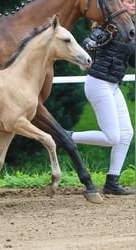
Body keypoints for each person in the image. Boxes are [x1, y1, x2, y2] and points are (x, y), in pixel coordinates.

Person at [70, 0, 135, 195]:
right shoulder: (110, 26)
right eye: (129, 1)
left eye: (135, 1)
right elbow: (87, 44)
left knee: (126, 135)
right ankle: (65, 136)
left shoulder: (130, 29)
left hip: (112, 85)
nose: (133, 4)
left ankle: (112, 182)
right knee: (112, 137)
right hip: (99, 84)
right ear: (119, 4)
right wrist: (94, 42)